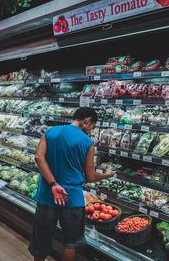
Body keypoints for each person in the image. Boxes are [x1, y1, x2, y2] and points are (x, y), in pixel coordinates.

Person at [28, 107, 116, 261]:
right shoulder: (87, 142)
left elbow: (38, 157)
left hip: (48, 196)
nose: (90, 131)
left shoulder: (50, 132)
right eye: (92, 127)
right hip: (72, 199)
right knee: (71, 242)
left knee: (41, 241)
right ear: (86, 121)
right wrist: (106, 175)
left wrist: (54, 184)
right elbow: (90, 177)